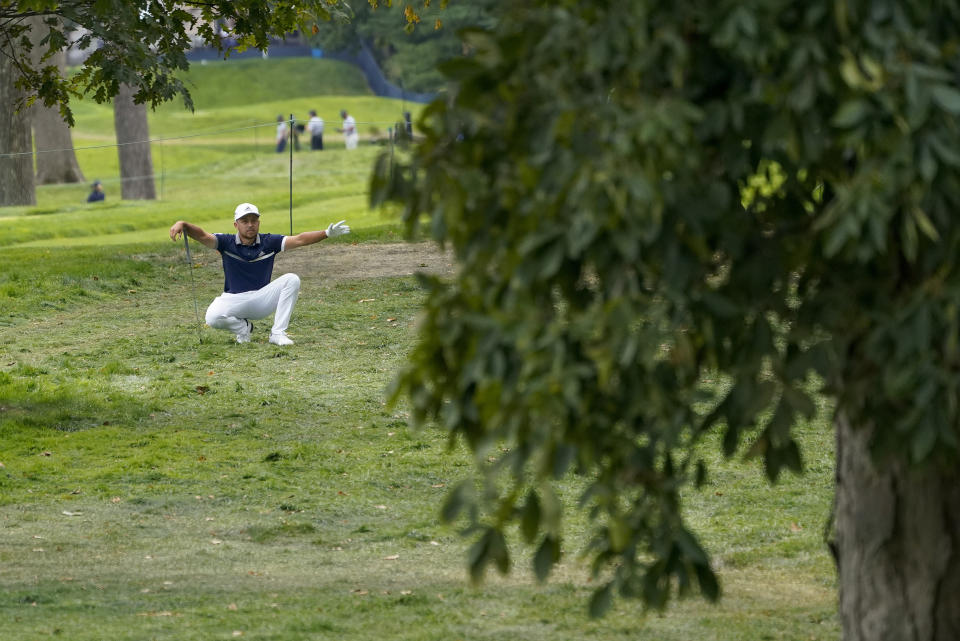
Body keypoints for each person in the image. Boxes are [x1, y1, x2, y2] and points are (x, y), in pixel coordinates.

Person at [169, 203, 350, 346]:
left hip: (261, 299)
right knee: (212, 318)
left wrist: (325, 233)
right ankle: (244, 328)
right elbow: (202, 235)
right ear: (236, 224)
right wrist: (184, 224)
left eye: (254, 220)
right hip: (233, 299)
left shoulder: (269, 241)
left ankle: (277, 333)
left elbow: (300, 239)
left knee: (292, 279)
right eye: (245, 221)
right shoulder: (226, 242)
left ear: (258, 223)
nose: (250, 225)